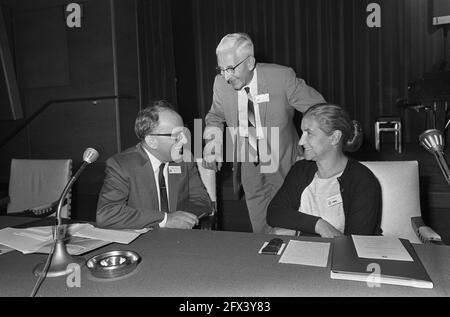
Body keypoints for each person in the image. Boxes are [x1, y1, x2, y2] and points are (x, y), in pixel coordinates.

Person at [203, 32, 325, 233]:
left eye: (231, 69)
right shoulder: (220, 84)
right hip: (248, 157)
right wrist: (212, 143)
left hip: (281, 157)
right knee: (259, 221)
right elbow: (215, 116)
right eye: (221, 69)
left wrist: (308, 145)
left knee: (286, 218)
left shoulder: (282, 77)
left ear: (250, 62)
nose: (225, 76)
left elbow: (318, 109)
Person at [267, 103, 382, 237]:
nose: (301, 142)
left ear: (334, 137)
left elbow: (355, 245)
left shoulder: (362, 181)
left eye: (309, 133)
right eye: (302, 133)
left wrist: (297, 232)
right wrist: (319, 225)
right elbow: (274, 213)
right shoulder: (301, 170)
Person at [96, 100, 212, 230]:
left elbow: (202, 201)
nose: (184, 140)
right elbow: (107, 214)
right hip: (142, 242)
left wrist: (182, 219)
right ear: (151, 140)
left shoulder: (185, 159)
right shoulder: (122, 165)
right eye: (176, 135)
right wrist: (165, 219)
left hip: (181, 239)